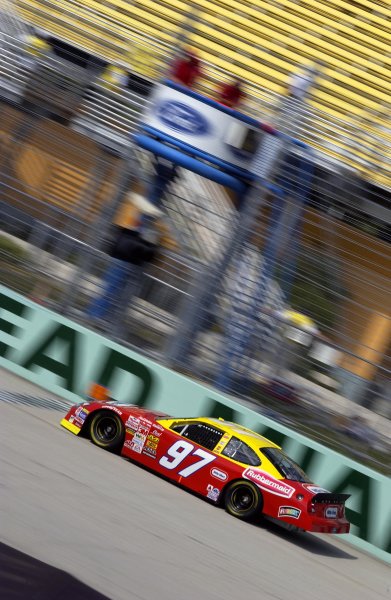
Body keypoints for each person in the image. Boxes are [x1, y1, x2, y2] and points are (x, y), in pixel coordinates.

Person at [87, 193, 161, 330]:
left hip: (126, 256)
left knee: (115, 288)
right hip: (126, 257)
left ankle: (99, 316)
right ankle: (99, 316)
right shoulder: (137, 226)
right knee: (114, 288)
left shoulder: (141, 228)